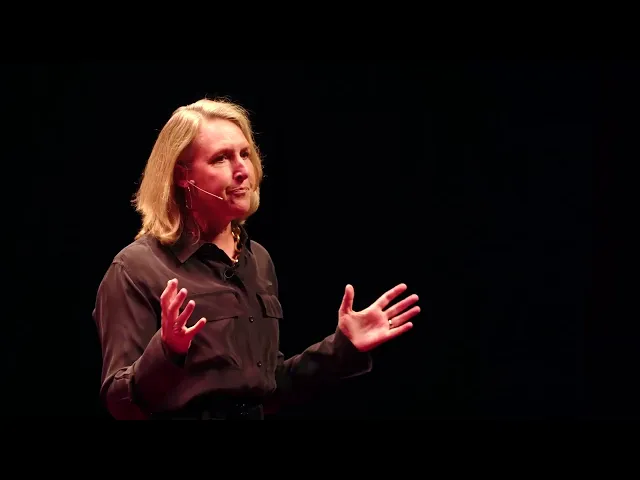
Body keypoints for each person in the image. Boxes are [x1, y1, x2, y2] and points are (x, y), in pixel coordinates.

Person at [92, 97, 420, 420]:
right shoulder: (136, 268)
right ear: (182, 175)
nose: (242, 171)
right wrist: (168, 351)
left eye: (245, 154)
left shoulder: (258, 259)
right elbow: (119, 402)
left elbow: (269, 389)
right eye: (221, 158)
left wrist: (343, 347)